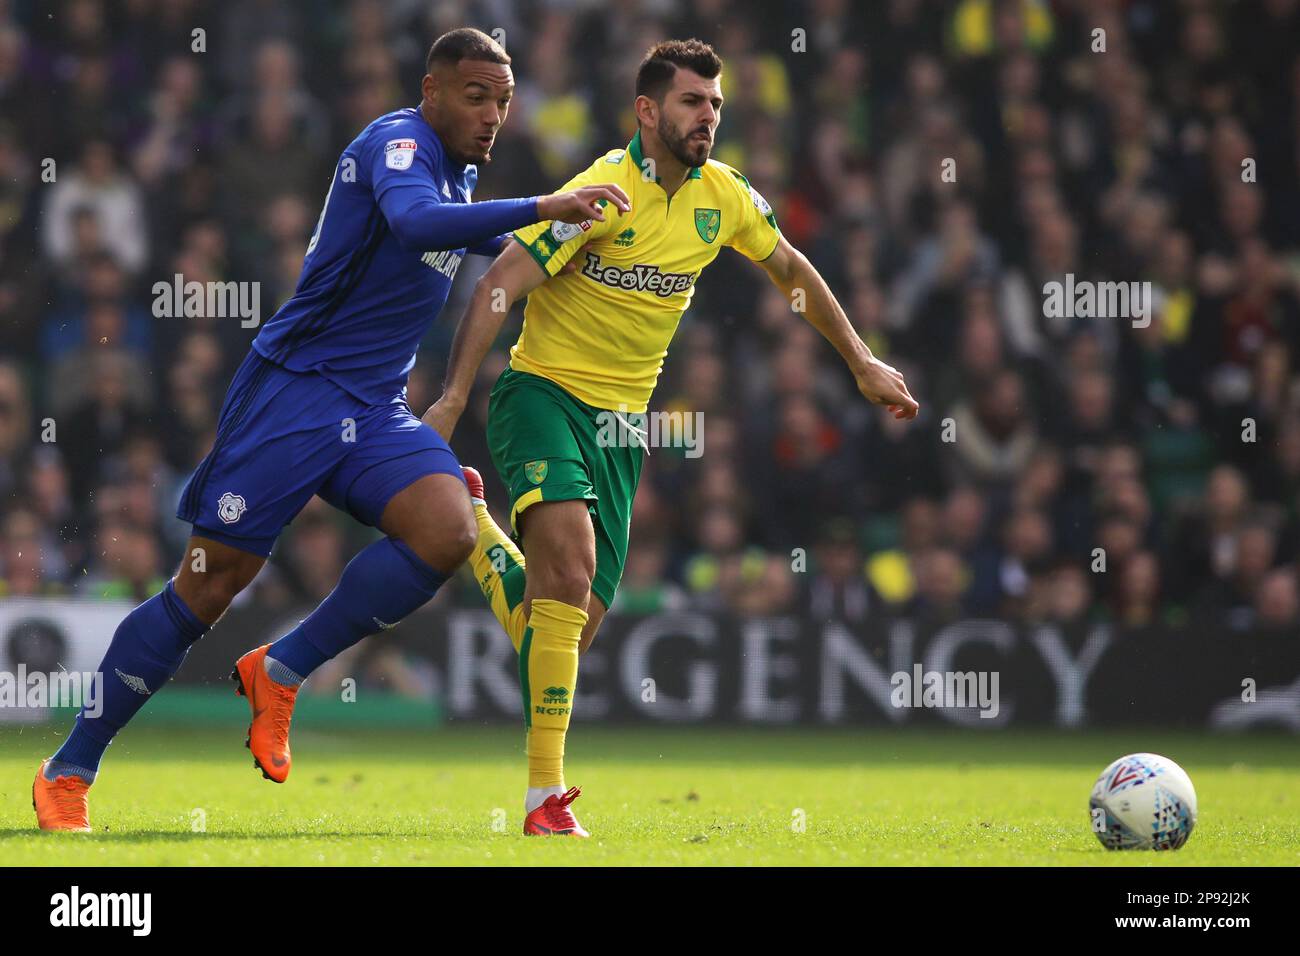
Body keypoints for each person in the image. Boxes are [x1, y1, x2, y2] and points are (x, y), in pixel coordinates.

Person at [32, 27, 629, 832]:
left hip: (376, 407)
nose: (492, 115)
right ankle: (70, 769)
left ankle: (280, 669)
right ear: (432, 91)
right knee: (207, 588)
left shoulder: (462, 169)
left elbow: (488, 239)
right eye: (476, 96)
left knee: (447, 529)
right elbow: (418, 226)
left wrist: (583, 239)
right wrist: (545, 206)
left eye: (504, 101)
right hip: (295, 393)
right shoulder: (395, 144)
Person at [423, 39, 919, 837]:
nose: (709, 118)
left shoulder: (722, 196)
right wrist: (451, 400)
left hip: (624, 425)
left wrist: (860, 361)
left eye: (716, 105)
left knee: (569, 622)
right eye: (693, 103)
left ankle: (478, 538)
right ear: (648, 112)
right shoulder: (600, 190)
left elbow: (791, 270)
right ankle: (543, 799)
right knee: (571, 568)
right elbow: (499, 284)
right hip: (542, 395)